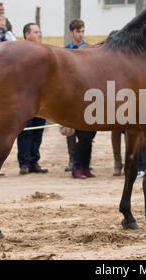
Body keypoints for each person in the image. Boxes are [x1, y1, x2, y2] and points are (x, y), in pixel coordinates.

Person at [65, 19, 96, 179]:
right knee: (80, 137)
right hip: (75, 101)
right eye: (78, 31)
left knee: (89, 137)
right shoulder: (66, 51)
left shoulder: (90, 49)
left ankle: (85, 166)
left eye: (82, 31)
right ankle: (76, 166)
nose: (80, 34)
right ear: (72, 32)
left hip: (91, 100)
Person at [17, 23, 48, 175]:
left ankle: (34, 161)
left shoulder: (43, 52)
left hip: (41, 99)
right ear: (27, 35)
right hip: (25, 99)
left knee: (38, 131)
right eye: (36, 32)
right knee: (25, 131)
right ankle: (23, 163)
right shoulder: (21, 53)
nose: (39, 34)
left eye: (39, 32)